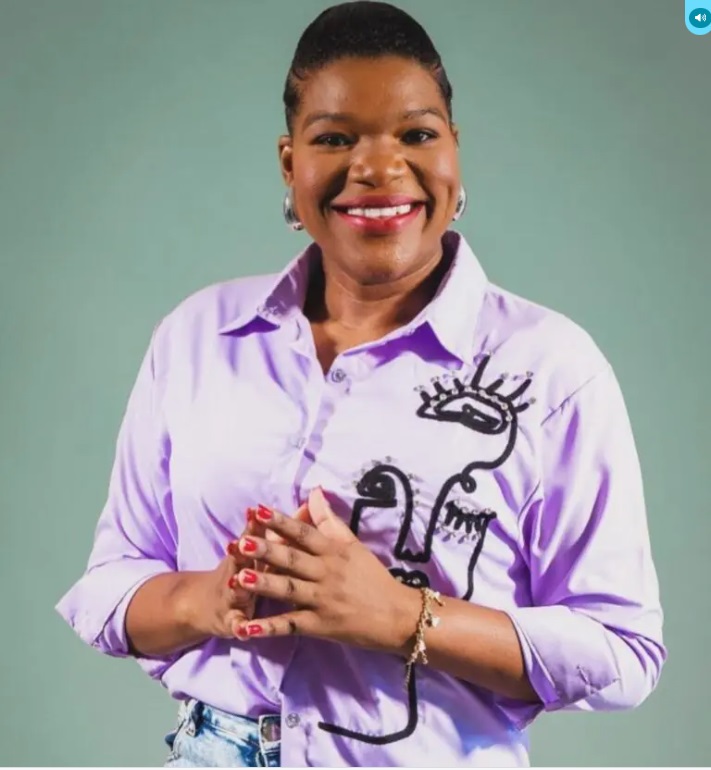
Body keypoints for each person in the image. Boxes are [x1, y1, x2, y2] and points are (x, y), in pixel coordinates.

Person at [56, 2, 666, 767]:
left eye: (416, 134)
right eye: (334, 138)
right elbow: (111, 582)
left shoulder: (550, 368)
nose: (378, 168)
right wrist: (202, 599)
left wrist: (401, 616)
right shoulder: (196, 338)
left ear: (454, 150)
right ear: (290, 163)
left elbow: (622, 650)